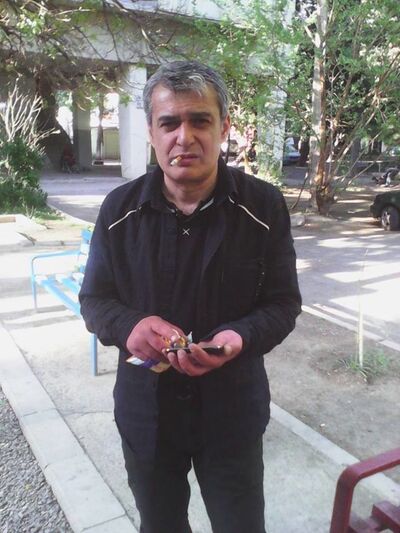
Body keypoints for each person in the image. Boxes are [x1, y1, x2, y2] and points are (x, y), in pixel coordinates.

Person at [79, 60, 301, 533]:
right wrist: (131, 327)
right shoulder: (119, 210)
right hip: (147, 413)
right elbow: (95, 300)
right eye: (169, 123)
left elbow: (284, 303)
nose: (185, 137)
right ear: (151, 132)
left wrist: (239, 337)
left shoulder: (262, 207)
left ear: (223, 127)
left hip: (232, 412)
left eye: (200, 120)